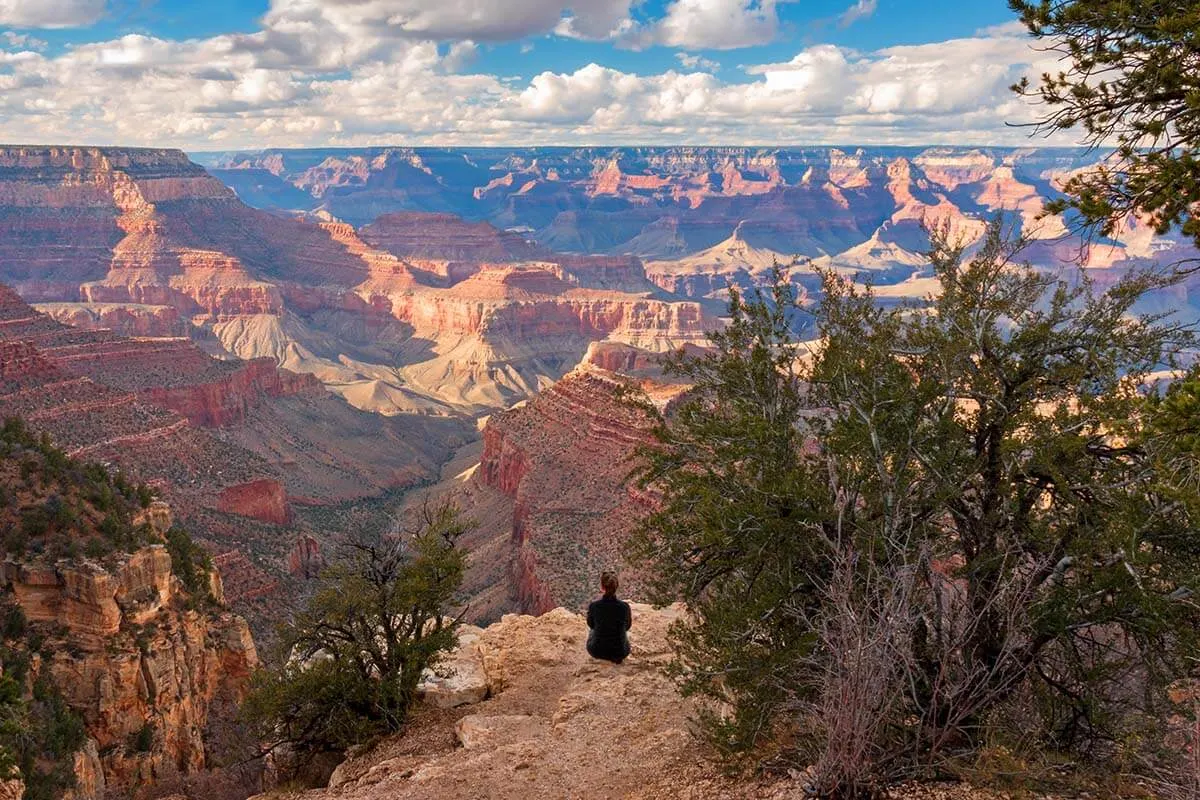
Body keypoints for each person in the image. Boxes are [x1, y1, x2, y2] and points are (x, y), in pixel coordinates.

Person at [586, 571, 632, 664]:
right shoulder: (624, 607)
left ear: (602, 587)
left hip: (597, 651)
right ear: (616, 586)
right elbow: (627, 627)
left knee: (592, 630)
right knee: (623, 632)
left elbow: (591, 625)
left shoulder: (594, 606)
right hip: (621, 652)